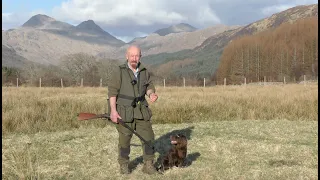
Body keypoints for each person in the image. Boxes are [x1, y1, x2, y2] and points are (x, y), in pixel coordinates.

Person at [108, 45, 159, 175]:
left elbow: (148, 86)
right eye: (132, 55)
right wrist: (113, 111)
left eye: (137, 56)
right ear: (127, 56)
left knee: (148, 137)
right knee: (124, 140)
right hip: (124, 111)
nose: (134, 58)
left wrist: (151, 94)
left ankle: (148, 165)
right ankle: (124, 165)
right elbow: (112, 93)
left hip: (142, 110)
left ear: (140, 56)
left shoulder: (144, 71)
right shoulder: (119, 71)